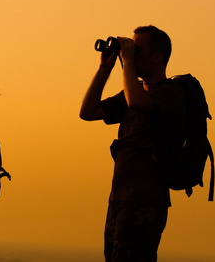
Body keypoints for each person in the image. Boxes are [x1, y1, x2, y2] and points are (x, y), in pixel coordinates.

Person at [80, 26, 186, 262]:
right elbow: (87, 111)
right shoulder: (132, 93)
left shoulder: (170, 93)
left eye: (136, 50)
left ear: (158, 57)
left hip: (144, 202)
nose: (129, 55)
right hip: (119, 199)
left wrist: (127, 63)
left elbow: (138, 103)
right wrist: (104, 69)